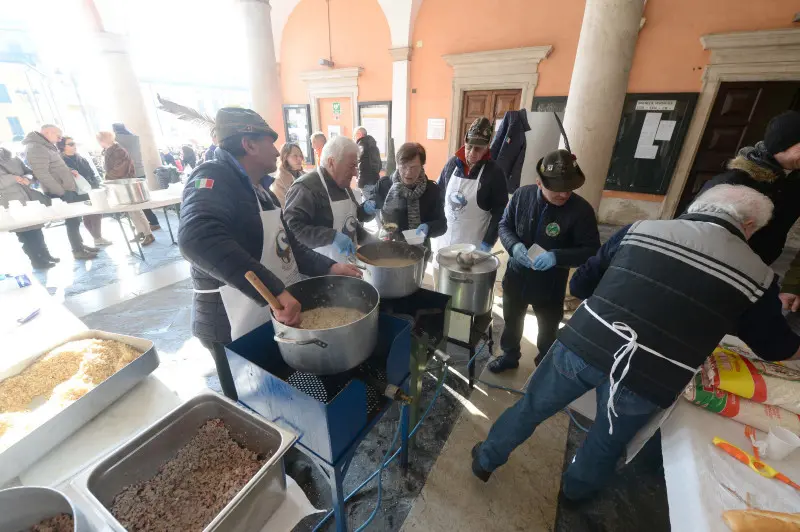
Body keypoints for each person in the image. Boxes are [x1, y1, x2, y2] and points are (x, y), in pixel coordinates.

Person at [472, 184, 800, 502]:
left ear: (699, 208)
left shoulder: (641, 229)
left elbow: (583, 284)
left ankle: (486, 459)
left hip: (585, 343)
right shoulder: (758, 275)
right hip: (649, 374)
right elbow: (774, 347)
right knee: (606, 439)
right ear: (748, 225)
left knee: (531, 407)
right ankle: (576, 491)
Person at [178, 107, 361, 400]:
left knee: (270, 398)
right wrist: (274, 290)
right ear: (248, 144)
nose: (277, 150)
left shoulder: (258, 191)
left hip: (263, 312)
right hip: (228, 323)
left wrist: (330, 267)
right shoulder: (213, 178)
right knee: (248, 405)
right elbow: (196, 237)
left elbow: (288, 246)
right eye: (269, 141)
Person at [488, 148, 600, 373]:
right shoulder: (522, 196)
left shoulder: (581, 211)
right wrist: (514, 246)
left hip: (551, 283)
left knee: (548, 329)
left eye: (569, 189)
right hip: (517, 276)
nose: (564, 195)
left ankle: (544, 366)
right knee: (512, 321)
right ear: (539, 182)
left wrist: (556, 256)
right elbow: (504, 225)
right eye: (557, 189)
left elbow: (591, 250)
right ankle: (510, 356)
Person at [698, 110, 800, 265]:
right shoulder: (733, 181)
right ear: (784, 145)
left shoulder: (793, 181)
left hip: (759, 267)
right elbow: (697, 231)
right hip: (719, 267)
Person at [284, 136, 375, 262]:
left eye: (356, 167)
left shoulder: (343, 185)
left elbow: (351, 221)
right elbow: (293, 230)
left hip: (349, 265)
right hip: (322, 271)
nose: (355, 173)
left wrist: (372, 241)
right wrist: (331, 236)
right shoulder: (305, 188)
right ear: (331, 162)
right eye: (351, 166)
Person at [22, 124, 98, 260]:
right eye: (58, 136)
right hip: (61, 192)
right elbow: (42, 174)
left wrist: (69, 171)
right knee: (72, 221)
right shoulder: (36, 148)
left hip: (66, 189)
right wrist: (61, 191)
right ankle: (77, 250)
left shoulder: (44, 145)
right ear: (47, 132)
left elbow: (54, 167)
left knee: (75, 219)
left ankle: (79, 245)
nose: (59, 139)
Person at [434, 117, 508, 254]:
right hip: (444, 239)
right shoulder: (452, 164)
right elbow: (438, 195)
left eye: (478, 149)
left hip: (473, 243)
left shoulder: (494, 173)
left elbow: (500, 211)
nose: (472, 153)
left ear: (487, 147)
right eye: (469, 147)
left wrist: (488, 241)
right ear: (465, 142)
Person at [370, 142, 446, 248]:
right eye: (404, 166)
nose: (408, 173)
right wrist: (367, 207)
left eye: (414, 167)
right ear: (398, 164)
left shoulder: (432, 190)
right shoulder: (385, 185)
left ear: (422, 166)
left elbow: (442, 225)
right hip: (389, 247)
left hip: (419, 250)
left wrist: (429, 227)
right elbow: (364, 215)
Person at [0, 147, 58, 268]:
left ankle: (45, 255)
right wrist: (12, 178)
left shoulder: (13, 157)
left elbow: (30, 173)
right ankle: (36, 261)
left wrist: (28, 179)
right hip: (11, 203)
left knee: (37, 229)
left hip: (29, 198)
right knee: (25, 234)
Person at [97, 131, 155, 246]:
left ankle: (148, 234)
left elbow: (120, 169)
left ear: (103, 140)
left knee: (136, 210)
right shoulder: (109, 151)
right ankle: (141, 232)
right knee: (130, 210)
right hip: (119, 185)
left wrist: (107, 177)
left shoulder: (118, 151)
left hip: (126, 184)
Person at [58, 136, 110, 247]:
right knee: (86, 214)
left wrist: (95, 185)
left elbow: (91, 173)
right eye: (71, 144)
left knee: (96, 213)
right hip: (75, 192)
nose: (74, 146)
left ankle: (97, 237)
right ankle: (97, 237)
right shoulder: (60, 161)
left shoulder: (80, 158)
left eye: (74, 143)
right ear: (63, 146)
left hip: (90, 189)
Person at [114, 123, 160, 230]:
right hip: (140, 171)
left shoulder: (117, 140)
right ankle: (152, 222)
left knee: (134, 202)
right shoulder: (134, 138)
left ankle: (147, 224)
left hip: (129, 173)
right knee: (143, 200)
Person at [270, 143, 304, 208]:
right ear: (285, 157)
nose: (299, 159)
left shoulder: (305, 175)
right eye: (295, 156)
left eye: (300, 155)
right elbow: (283, 209)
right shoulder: (278, 181)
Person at [354, 126, 381, 200]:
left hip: (365, 180)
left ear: (360, 134)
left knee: (367, 204)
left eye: (355, 134)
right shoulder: (375, 147)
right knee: (372, 201)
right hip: (375, 179)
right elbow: (380, 164)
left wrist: (359, 179)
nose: (354, 137)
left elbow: (358, 163)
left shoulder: (361, 145)